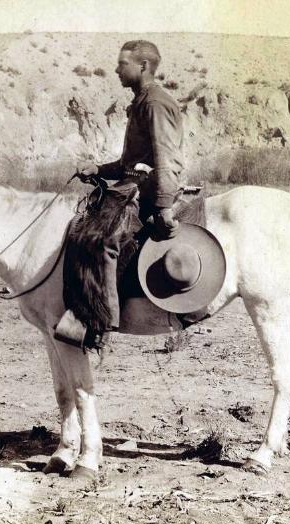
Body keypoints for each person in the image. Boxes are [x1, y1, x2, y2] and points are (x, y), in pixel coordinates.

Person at [72, 39, 186, 349]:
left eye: (122, 64)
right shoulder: (141, 101)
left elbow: (165, 157)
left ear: (143, 66)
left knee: (104, 240)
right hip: (134, 183)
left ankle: (103, 321)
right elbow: (128, 164)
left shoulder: (155, 102)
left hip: (146, 189)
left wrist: (163, 206)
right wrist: (98, 169)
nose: (116, 69)